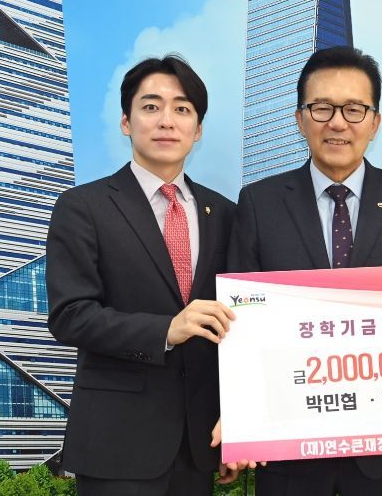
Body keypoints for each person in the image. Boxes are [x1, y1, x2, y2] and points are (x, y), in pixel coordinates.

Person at [227, 46, 382, 495]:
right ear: (299, 118)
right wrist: (242, 418)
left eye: (354, 109)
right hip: (288, 455)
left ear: (375, 122)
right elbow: (240, 327)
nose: (338, 123)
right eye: (322, 108)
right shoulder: (259, 203)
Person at [46, 55, 237, 495]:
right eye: (151, 106)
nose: (167, 120)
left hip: (199, 441)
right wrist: (166, 330)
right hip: (117, 441)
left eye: (182, 109)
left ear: (198, 129)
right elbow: (70, 315)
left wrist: (240, 419)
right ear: (125, 122)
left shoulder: (226, 213)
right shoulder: (83, 207)